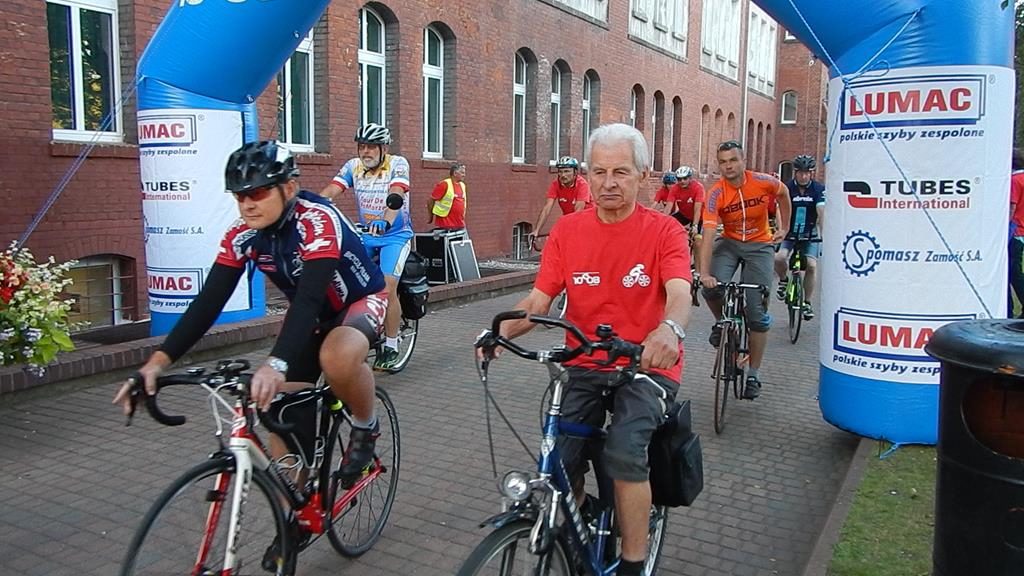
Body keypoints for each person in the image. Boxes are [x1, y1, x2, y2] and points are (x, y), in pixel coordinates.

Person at [113, 140, 388, 569]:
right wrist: (157, 363)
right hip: (311, 318)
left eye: (257, 192)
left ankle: (365, 428)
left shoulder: (317, 219)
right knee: (277, 406)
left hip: (357, 302)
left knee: (335, 357)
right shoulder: (243, 236)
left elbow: (309, 298)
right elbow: (207, 304)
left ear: (289, 188)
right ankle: (297, 509)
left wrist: (276, 363)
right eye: (239, 195)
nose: (247, 204)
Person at [484, 123, 692, 576]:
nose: (608, 183)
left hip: (645, 365)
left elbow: (680, 292)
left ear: (643, 175)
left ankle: (633, 562)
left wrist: (669, 330)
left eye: (620, 172)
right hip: (585, 361)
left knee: (625, 453)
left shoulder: (665, 231)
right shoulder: (569, 231)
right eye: (599, 172)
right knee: (559, 461)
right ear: (587, 175)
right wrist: (499, 333)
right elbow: (539, 301)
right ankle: (581, 522)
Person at [699, 140, 791, 400]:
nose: (728, 166)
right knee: (712, 289)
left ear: (743, 161)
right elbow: (708, 234)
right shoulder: (716, 193)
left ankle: (753, 375)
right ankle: (722, 322)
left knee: (756, 314)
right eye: (723, 162)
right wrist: (704, 274)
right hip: (729, 244)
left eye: (733, 160)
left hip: (760, 245)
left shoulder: (763, 182)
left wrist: (784, 228)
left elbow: (784, 194)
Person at [320, 123, 412, 370]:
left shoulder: (398, 164)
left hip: (395, 236)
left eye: (371, 147)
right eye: (362, 146)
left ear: (384, 148)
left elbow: (397, 192)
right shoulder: (353, 166)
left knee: (387, 287)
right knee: (346, 281)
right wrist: (315, 206)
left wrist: (386, 220)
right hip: (366, 235)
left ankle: (391, 345)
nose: (365, 152)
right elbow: (333, 189)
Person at [773, 154, 825, 321]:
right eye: (801, 173)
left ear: (811, 173)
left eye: (807, 173)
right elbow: (779, 210)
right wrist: (781, 230)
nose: (804, 176)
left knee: (811, 266)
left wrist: (824, 233)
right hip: (789, 233)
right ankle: (783, 280)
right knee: (779, 258)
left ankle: (807, 302)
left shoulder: (818, 189)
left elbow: (821, 211)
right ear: (795, 173)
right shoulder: (787, 188)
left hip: (809, 234)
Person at [531, 155, 593, 237]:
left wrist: (568, 231)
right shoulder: (556, 184)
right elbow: (547, 208)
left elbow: (578, 211)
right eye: (560, 171)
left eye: (567, 171)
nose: (563, 175)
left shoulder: (582, 185)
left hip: (587, 220)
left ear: (575, 173)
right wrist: (536, 230)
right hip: (570, 219)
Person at [428, 162, 467, 231]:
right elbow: (431, 200)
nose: (464, 175)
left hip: (459, 223)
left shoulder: (462, 185)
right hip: (445, 224)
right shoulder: (444, 184)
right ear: (455, 173)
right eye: (462, 173)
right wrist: (431, 216)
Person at [1008, 148, 1024, 317]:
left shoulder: (1014, 180)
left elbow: (1012, 206)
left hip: (1015, 231)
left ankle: (1010, 310)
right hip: (1022, 232)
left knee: (1013, 272)